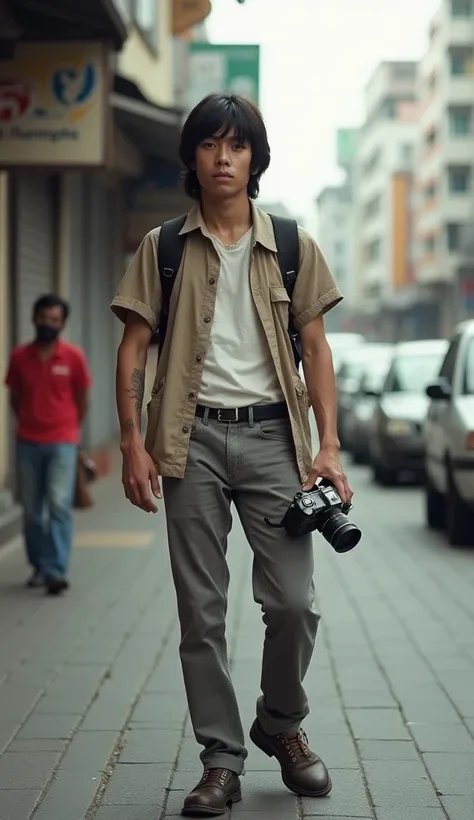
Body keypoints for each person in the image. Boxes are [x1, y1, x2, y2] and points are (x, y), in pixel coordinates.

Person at [111, 93, 353, 816]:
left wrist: (329, 445)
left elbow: (315, 348)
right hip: (189, 445)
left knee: (294, 603)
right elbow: (132, 350)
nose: (223, 157)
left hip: (277, 440)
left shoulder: (292, 245)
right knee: (202, 613)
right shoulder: (162, 249)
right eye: (210, 144)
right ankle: (221, 759)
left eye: (236, 145)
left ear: (254, 157)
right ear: (192, 157)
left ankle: (281, 725)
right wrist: (131, 442)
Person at [4, 294, 92, 595]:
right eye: (44, 318)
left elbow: (82, 401)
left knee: (58, 504)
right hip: (27, 441)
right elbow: (15, 399)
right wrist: (29, 423)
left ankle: (55, 571)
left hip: (63, 442)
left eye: (55, 320)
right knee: (31, 509)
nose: (48, 324)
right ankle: (39, 566)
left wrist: (69, 429)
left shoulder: (74, 357)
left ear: (63, 323)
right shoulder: (19, 357)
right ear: (34, 318)